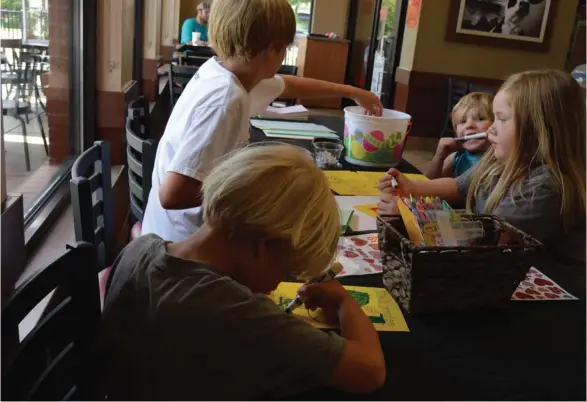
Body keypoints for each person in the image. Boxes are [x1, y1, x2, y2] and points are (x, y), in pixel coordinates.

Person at [97, 144, 386, 400]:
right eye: (285, 271)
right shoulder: (233, 311)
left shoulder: (141, 248)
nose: (276, 285)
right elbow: (370, 371)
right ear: (264, 247)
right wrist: (343, 301)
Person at [141, 0, 383, 242]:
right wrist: (257, 185)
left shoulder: (224, 71)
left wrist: (353, 92)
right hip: (181, 246)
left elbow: (286, 85)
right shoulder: (226, 99)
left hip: (168, 233)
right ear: (271, 50)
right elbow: (172, 195)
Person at [378, 69, 586, 293]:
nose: (491, 129)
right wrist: (413, 188)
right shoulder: (499, 160)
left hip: (551, 286)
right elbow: (458, 186)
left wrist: (415, 217)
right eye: (494, 118)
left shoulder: (548, 185)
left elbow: (485, 237)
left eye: (502, 119)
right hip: (498, 270)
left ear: (541, 130)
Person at [425, 92, 493, 179]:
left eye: (480, 119)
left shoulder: (502, 158)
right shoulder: (455, 158)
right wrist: (439, 156)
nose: (469, 125)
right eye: (463, 121)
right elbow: (429, 183)